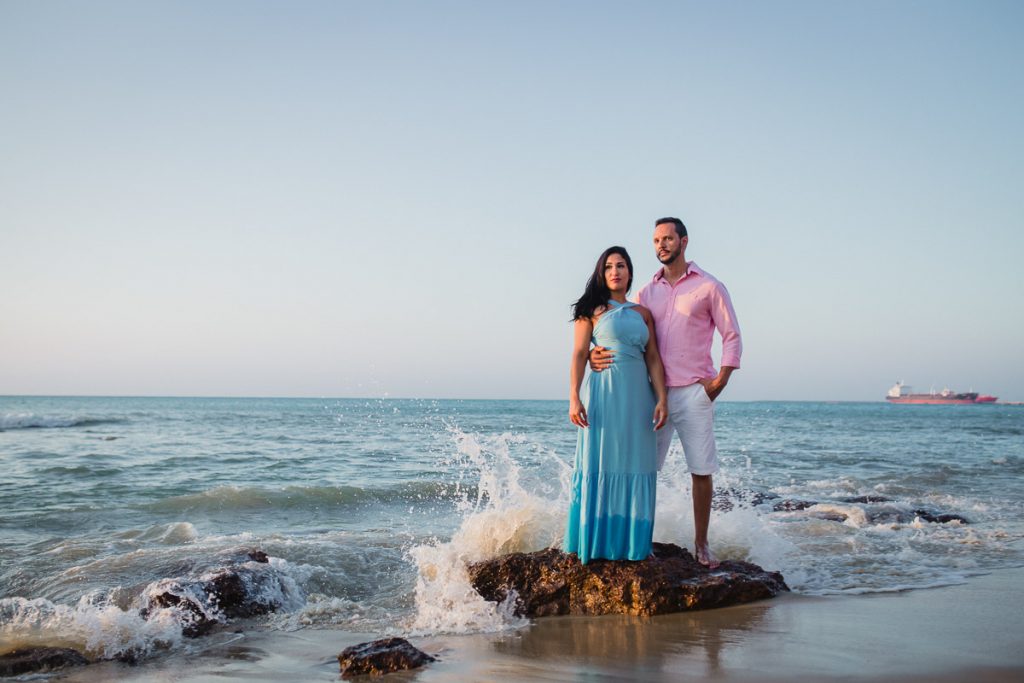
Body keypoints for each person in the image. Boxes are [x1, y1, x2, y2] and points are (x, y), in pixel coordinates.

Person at [591, 218, 741, 568]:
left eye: (668, 239)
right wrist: (591, 353)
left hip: (694, 392)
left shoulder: (709, 287)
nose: (661, 245)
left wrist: (720, 381)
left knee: (701, 470)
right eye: (656, 240)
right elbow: (619, 328)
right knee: (643, 468)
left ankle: (701, 544)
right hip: (650, 394)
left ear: (683, 241)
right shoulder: (645, 292)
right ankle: (638, 538)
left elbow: (731, 335)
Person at [564, 246, 668, 564]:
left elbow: (653, 357)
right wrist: (573, 397)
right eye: (608, 266)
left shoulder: (642, 313)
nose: (615, 271)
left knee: (636, 463)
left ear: (629, 272)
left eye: (621, 265)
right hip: (604, 394)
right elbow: (580, 354)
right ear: (601, 273)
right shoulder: (590, 310)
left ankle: (633, 543)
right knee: (601, 459)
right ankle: (596, 541)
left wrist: (662, 398)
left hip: (639, 396)